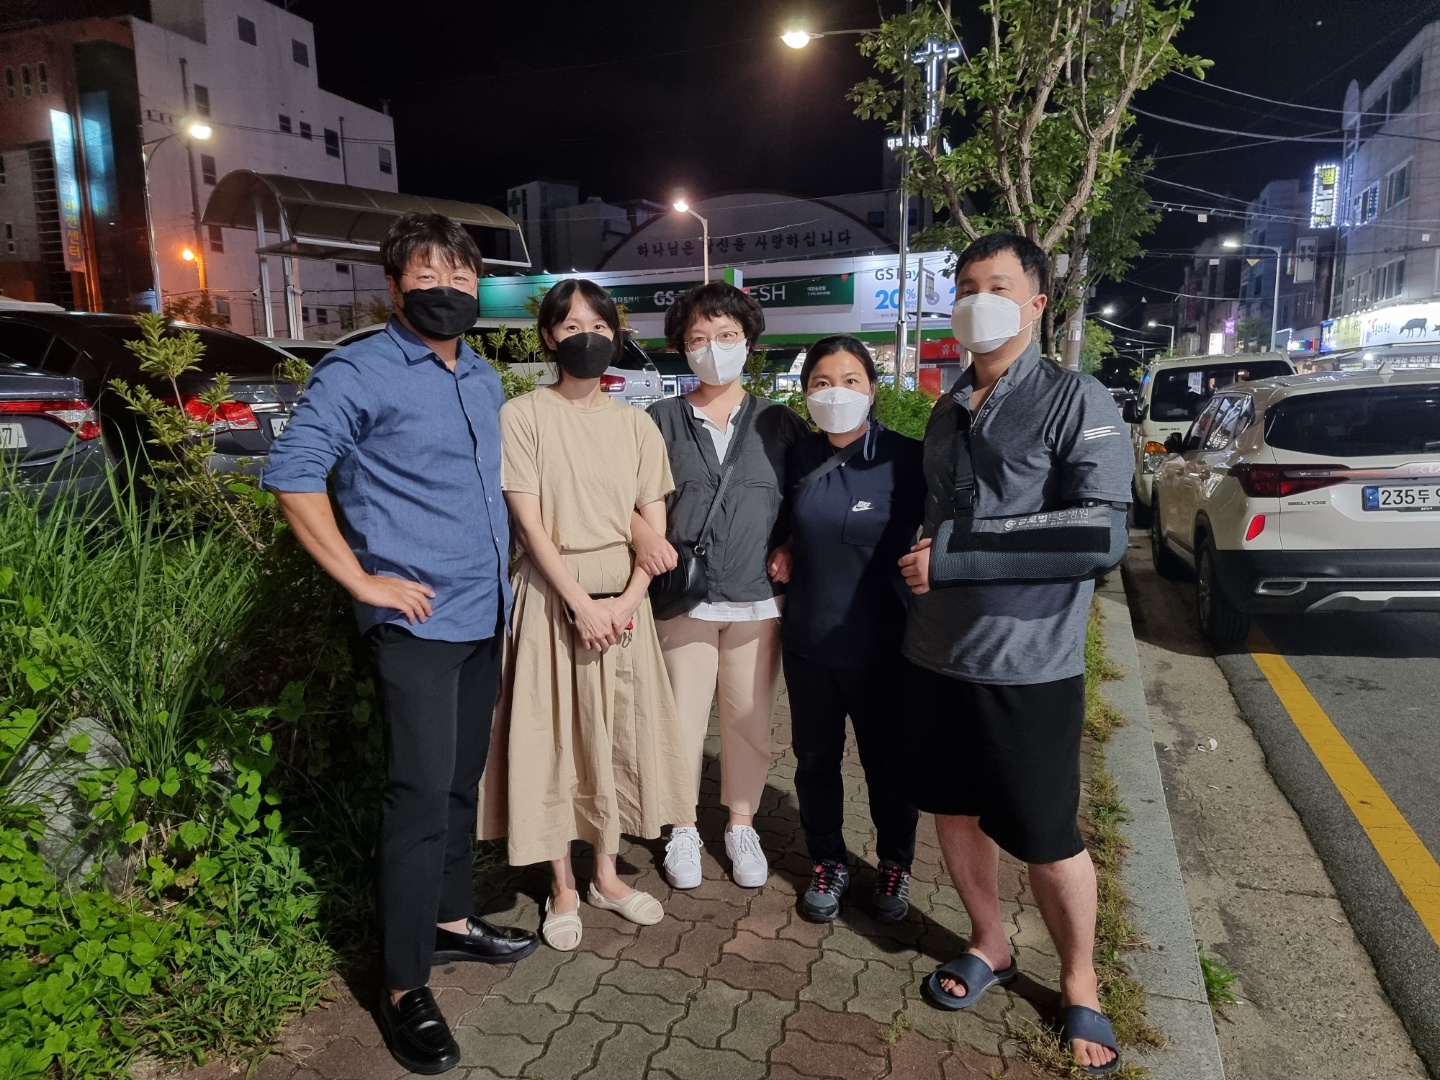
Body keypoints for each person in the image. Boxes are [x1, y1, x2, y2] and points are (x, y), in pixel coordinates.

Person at [262, 213, 538, 1076]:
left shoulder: (481, 376)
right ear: (393, 286)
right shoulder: (359, 370)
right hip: (415, 623)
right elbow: (293, 474)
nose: (447, 290)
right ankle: (401, 984)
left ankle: (449, 921)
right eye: (427, 275)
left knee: (458, 783)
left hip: (482, 613)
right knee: (418, 796)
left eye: (462, 276)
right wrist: (362, 579)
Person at [898, 232, 1133, 1075]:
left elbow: (1099, 534)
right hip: (936, 655)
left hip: (1027, 664)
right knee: (955, 811)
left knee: (1045, 834)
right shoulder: (947, 406)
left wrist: (954, 558)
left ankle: (1080, 982)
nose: (977, 300)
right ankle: (989, 943)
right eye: (966, 286)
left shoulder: (1077, 399)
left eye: (997, 287)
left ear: (1036, 303)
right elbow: (939, 513)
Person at [478, 278, 693, 952]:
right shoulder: (523, 416)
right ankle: (563, 885)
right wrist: (579, 603)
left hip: (623, 597)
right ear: (549, 336)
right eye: (571, 326)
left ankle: (606, 875)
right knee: (553, 736)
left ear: (616, 334)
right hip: (552, 594)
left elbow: (653, 524)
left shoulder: (637, 423)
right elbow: (528, 522)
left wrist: (625, 603)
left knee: (615, 732)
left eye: (598, 325)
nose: (587, 337)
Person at [635, 282, 809, 891]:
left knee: (748, 718)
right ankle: (682, 827)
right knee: (681, 719)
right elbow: (629, 498)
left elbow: (808, 499)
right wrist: (644, 536)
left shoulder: (779, 422)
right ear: (682, 347)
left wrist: (792, 546)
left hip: (758, 597)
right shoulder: (659, 420)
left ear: (748, 341)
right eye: (699, 337)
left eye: (727, 335)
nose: (714, 348)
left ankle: (741, 824)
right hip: (685, 597)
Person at [767, 335, 924, 923]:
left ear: (873, 389)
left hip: (884, 647)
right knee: (815, 762)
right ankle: (827, 861)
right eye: (821, 383)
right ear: (805, 392)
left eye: (850, 380)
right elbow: (788, 522)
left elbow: (946, 527)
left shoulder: (906, 459)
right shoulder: (798, 457)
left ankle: (895, 864)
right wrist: (786, 545)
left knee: (889, 767)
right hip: (808, 642)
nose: (836, 393)